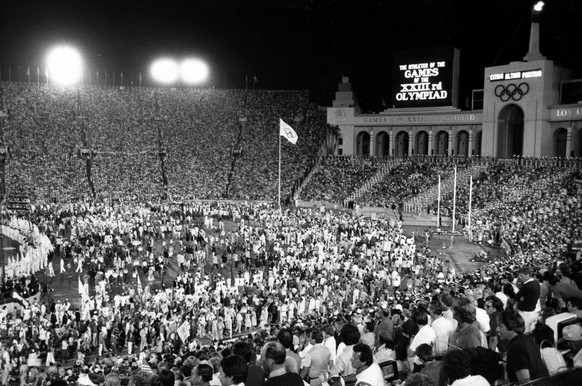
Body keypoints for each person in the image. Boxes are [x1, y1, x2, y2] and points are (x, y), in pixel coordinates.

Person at [498, 309, 548, 383]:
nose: (497, 329)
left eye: (500, 326)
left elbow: (524, 381)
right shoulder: (527, 339)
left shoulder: (515, 347)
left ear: (510, 327)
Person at [514, 267, 541, 334]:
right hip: (534, 311)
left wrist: (521, 299)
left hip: (525, 313)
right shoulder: (536, 282)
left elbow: (517, 297)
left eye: (521, 275)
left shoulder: (527, 285)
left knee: (524, 332)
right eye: (519, 275)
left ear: (528, 275)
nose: (520, 277)